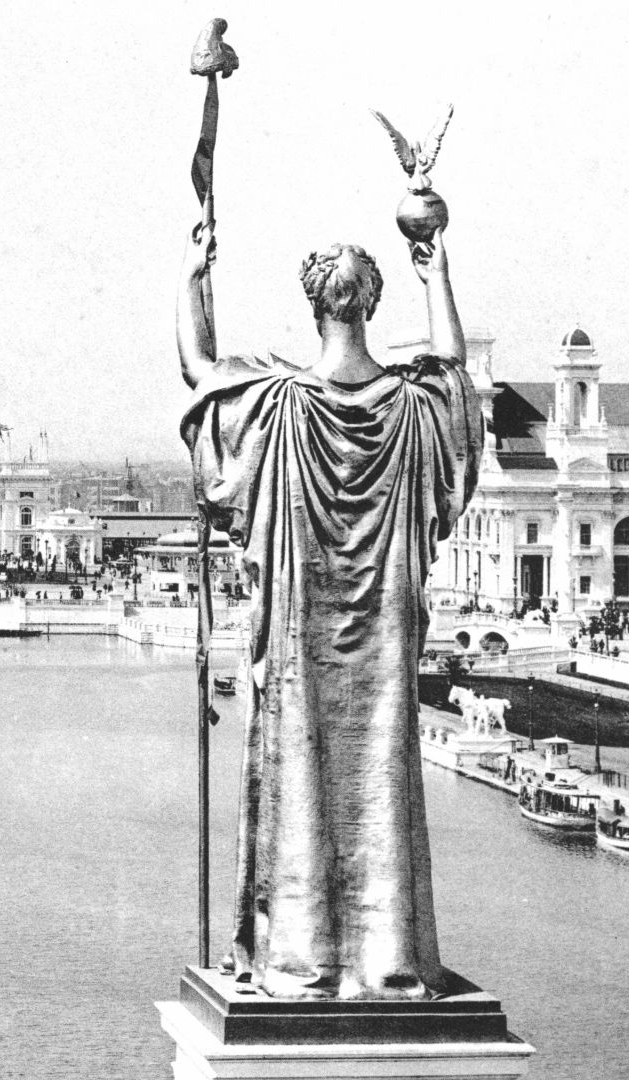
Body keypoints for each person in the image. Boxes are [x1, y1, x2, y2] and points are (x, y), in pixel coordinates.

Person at [179, 207, 476, 1000]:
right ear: (372, 302)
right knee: (379, 773)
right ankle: (388, 955)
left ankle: (301, 954)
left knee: (299, 771)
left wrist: (194, 273)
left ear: (313, 305)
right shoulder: (415, 407)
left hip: (299, 634)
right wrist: (437, 274)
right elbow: (456, 376)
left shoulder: (273, 405)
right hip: (383, 634)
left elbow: (198, 368)